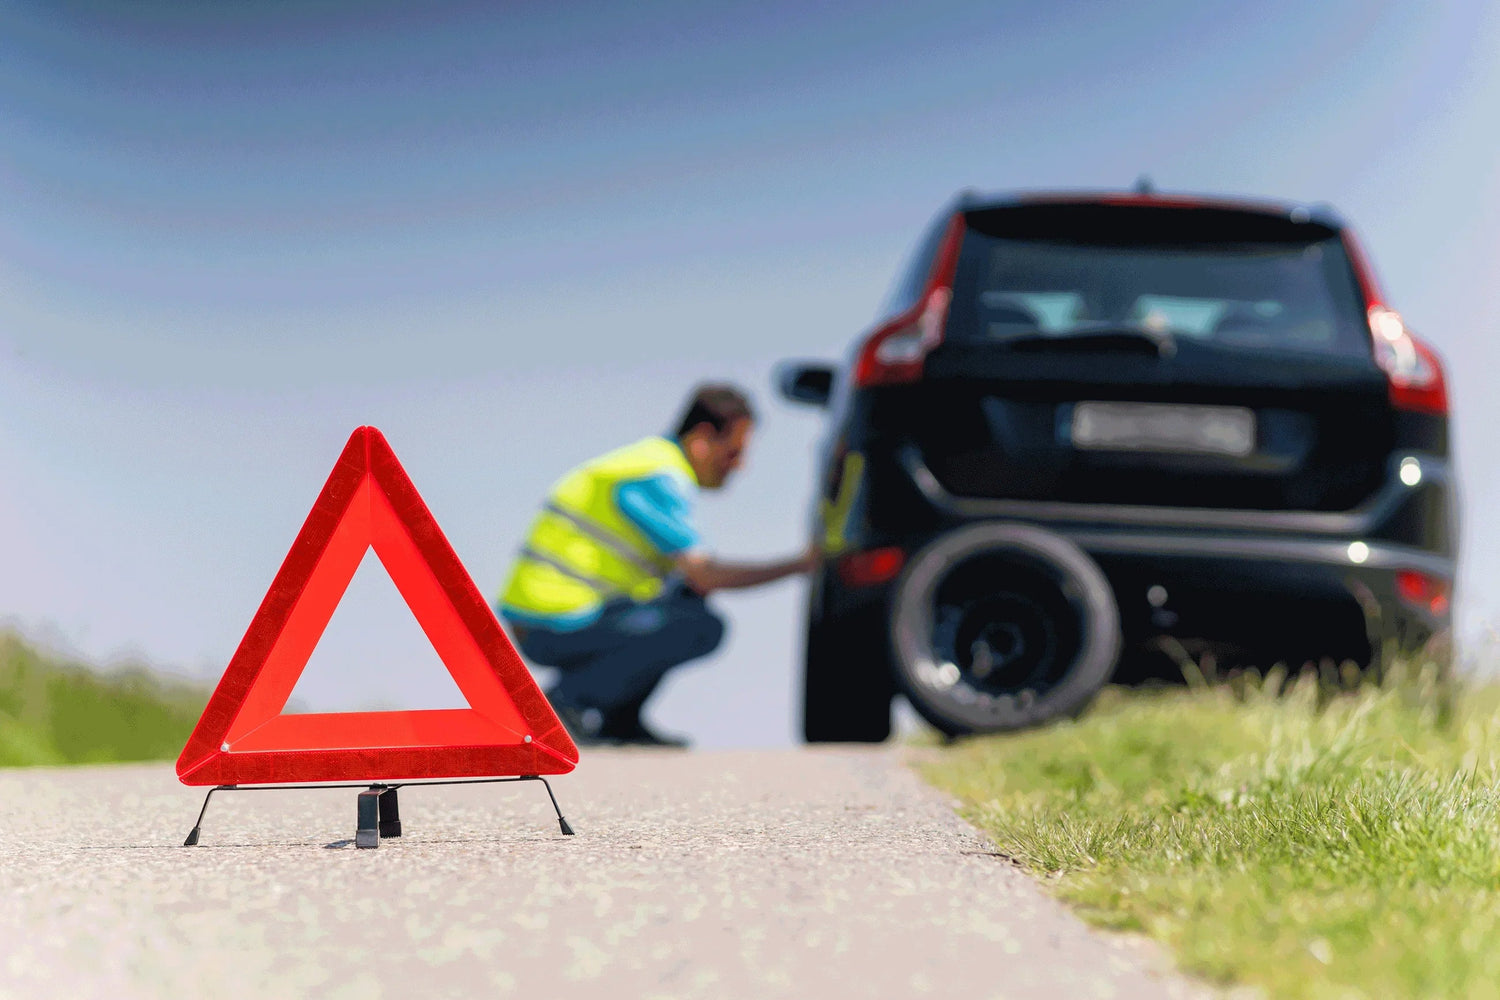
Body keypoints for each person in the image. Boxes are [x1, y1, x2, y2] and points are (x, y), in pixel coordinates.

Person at [498, 384, 814, 746]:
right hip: (551, 621)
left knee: (687, 602)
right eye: (733, 453)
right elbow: (705, 574)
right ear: (702, 439)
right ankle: (566, 704)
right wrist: (801, 564)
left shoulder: (650, 463)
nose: (740, 467)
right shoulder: (656, 477)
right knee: (697, 625)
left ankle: (619, 720)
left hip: (562, 614)